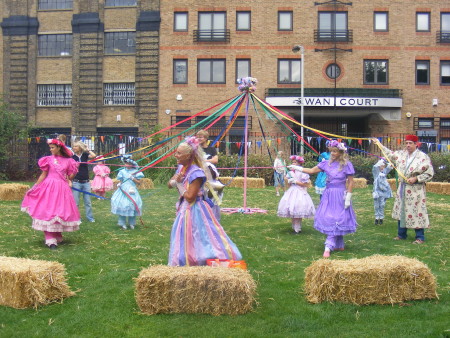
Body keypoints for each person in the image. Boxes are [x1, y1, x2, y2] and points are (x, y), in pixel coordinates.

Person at [167, 136, 242, 266]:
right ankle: (185, 260)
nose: (176, 155)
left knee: (199, 234)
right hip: (184, 208)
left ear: (188, 155)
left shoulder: (196, 173)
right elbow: (169, 184)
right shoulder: (181, 168)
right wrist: (174, 182)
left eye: (179, 153)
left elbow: (190, 197)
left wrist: (178, 184)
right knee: (185, 235)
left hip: (195, 209)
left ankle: (202, 259)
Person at [288, 140, 357, 258]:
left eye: (335, 151)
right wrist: (296, 167)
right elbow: (311, 171)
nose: (333, 154)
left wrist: (348, 197)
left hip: (340, 194)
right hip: (329, 193)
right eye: (331, 151)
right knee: (330, 216)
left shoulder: (346, 164)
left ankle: (329, 246)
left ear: (341, 152)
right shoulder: (326, 164)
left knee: (338, 217)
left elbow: (351, 181)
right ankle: (338, 244)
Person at [372, 135, 434, 244]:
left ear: (416, 144)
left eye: (410, 143)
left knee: (417, 210)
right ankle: (401, 234)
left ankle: (420, 237)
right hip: (403, 187)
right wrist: (378, 144)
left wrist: (416, 178)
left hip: (416, 189)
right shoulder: (401, 155)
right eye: (406, 143)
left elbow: (429, 173)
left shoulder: (423, 157)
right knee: (401, 210)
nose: (408, 145)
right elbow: (390, 154)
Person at [21, 139, 80, 249]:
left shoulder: (69, 161)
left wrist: (74, 171)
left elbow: (70, 177)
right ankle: (50, 238)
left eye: (52, 147)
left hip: (62, 188)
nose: (51, 149)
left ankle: (57, 234)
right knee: (48, 211)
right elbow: (43, 175)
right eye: (50, 147)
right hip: (49, 187)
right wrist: (35, 187)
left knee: (60, 210)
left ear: (59, 148)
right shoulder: (48, 160)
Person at [277, 155, 315, 234]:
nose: (293, 164)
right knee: (292, 209)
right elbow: (289, 184)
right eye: (293, 162)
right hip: (292, 192)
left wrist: (296, 181)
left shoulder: (303, 173)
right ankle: (294, 227)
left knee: (298, 209)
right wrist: (289, 181)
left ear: (299, 164)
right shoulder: (290, 173)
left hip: (300, 192)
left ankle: (297, 228)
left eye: (295, 162)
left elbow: (305, 184)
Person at [196, 129, 224, 221]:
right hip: (200, 175)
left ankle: (214, 218)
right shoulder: (196, 149)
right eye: (197, 137)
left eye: (201, 137)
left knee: (214, 196)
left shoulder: (211, 149)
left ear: (206, 138)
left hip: (211, 176)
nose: (199, 139)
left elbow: (215, 160)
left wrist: (204, 161)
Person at [111, 155, 144, 230]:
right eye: (126, 163)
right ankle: (122, 223)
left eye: (129, 164)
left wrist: (133, 178)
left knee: (132, 205)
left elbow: (139, 182)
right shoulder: (122, 171)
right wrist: (119, 184)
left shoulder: (136, 171)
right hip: (123, 190)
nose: (127, 165)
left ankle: (132, 223)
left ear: (132, 164)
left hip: (132, 190)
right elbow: (121, 180)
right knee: (123, 205)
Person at [72, 141, 96, 223]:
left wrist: (87, 149)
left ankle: (90, 217)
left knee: (88, 202)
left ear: (80, 147)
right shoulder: (72, 157)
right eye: (74, 146)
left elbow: (93, 156)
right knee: (76, 202)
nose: (74, 148)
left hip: (86, 182)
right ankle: (77, 218)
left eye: (76, 146)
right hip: (76, 182)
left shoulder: (85, 155)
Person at [372, 159, 393, 225]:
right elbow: (375, 167)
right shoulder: (376, 173)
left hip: (383, 191)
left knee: (382, 204)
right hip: (377, 192)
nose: (382, 167)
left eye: (383, 166)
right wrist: (381, 160)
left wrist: (387, 162)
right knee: (376, 205)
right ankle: (376, 218)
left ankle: (381, 218)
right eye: (381, 166)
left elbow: (389, 167)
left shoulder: (384, 172)